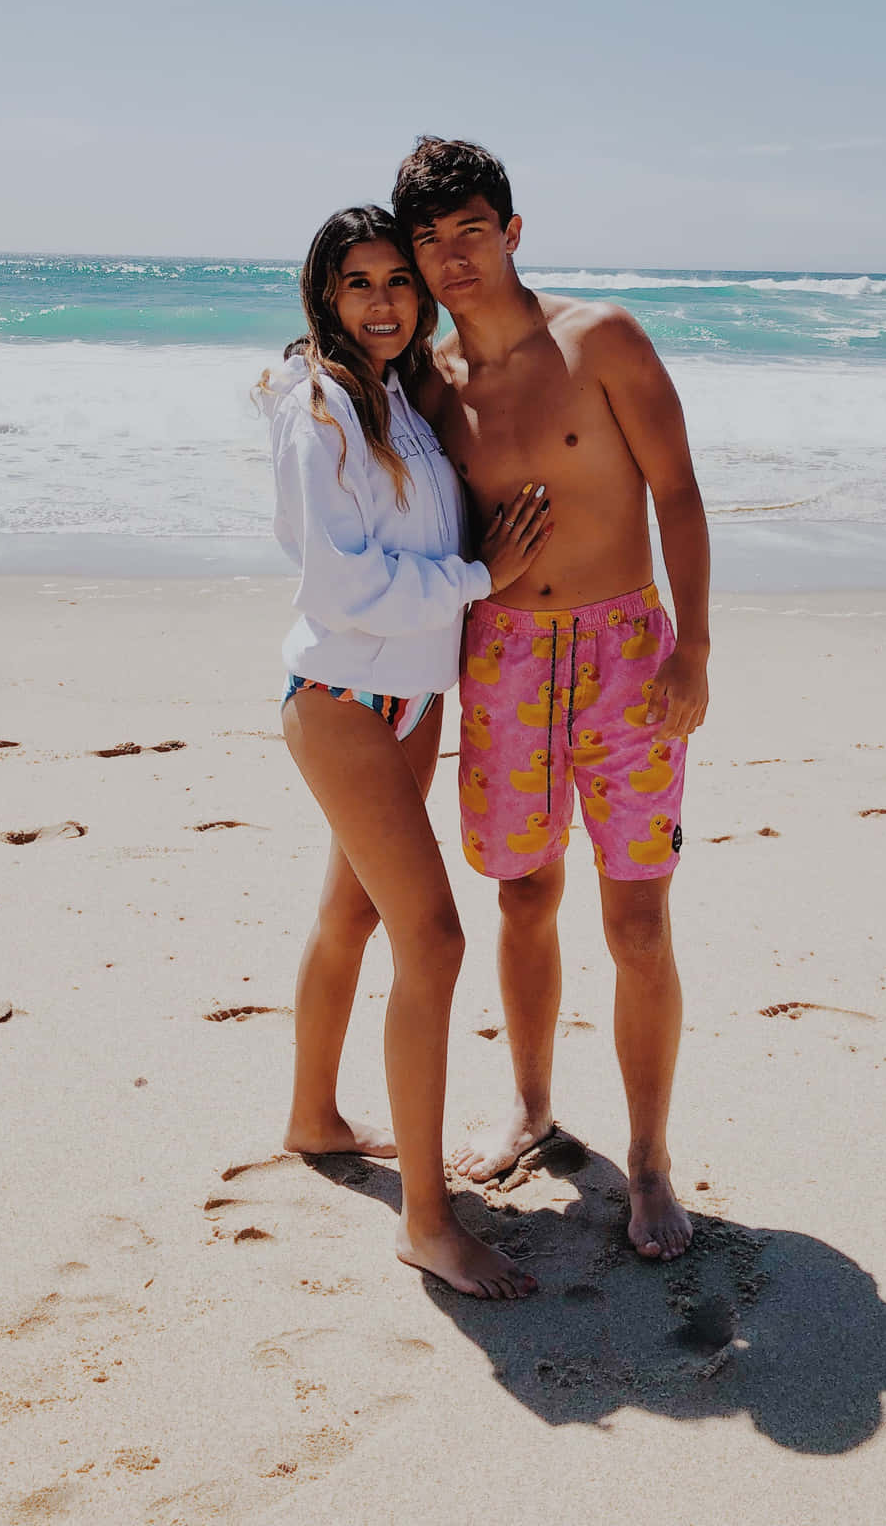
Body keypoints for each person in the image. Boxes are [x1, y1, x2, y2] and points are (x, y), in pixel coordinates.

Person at [395, 138, 711, 1262]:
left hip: (628, 650)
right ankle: (530, 1108)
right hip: (506, 659)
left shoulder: (602, 338)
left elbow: (676, 491)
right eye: (428, 238)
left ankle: (653, 1160)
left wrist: (695, 651)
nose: (450, 256)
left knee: (637, 918)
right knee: (524, 898)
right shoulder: (430, 385)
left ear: (513, 231)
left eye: (470, 229)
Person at [259, 203, 552, 1298]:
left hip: (411, 701)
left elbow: (428, 534)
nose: (382, 302)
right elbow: (338, 583)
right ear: (325, 299)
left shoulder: (401, 400)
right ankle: (427, 1223)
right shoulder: (322, 405)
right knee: (431, 943)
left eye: (396, 280)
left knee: (353, 914)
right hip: (342, 697)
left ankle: (313, 1117)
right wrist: (486, 579)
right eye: (358, 284)